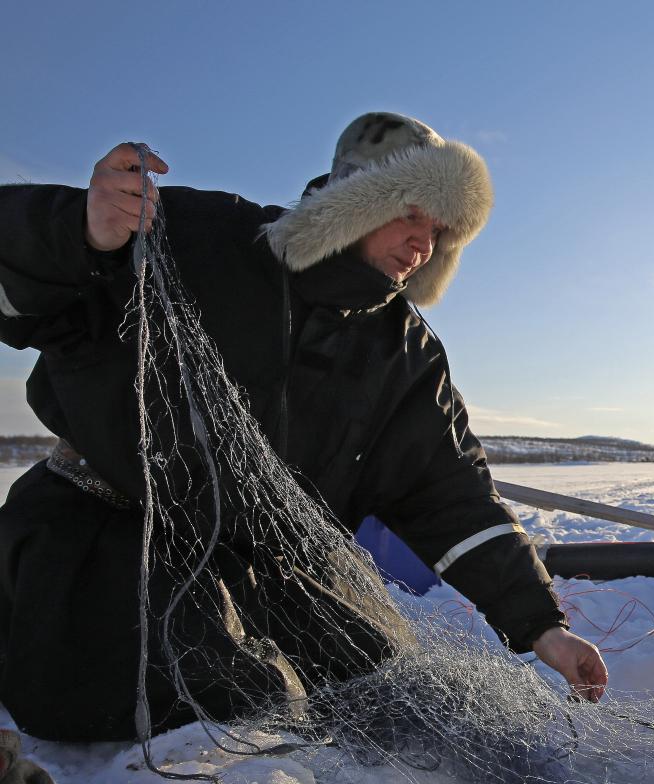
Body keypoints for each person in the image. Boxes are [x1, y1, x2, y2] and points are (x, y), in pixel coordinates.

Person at [0, 113, 608, 742]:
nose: (424, 243)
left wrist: (543, 626)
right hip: (105, 535)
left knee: (380, 680)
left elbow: (449, 490)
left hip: (259, 564)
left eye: (440, 229)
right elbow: (25, 291)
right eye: (411, 214)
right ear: (356, 200)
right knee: (233, 695)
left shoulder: (406, 353)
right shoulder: (198, 237)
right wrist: (82, 233)